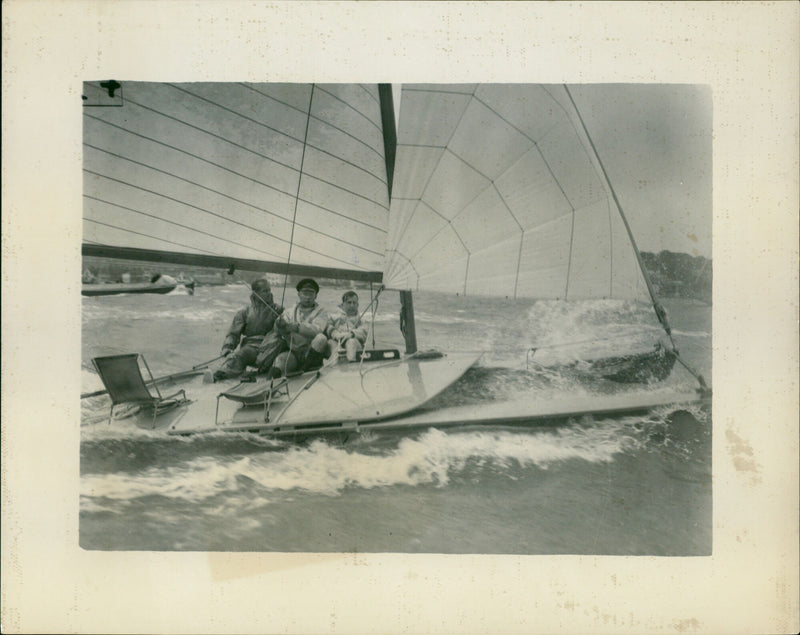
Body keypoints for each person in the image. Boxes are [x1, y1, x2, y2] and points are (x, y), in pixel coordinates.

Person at [213, 278, 285, 381]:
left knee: (279, 346)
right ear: (255, 293)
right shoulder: (244, 312)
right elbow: (233, 334)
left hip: (273, 346)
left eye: (269, 290)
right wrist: (227, 347)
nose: (269, 293)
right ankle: (223, 374)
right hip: (252, 347)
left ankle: (264, 374)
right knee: (240, 355)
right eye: (265, 291)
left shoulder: (279, 310)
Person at [268, 278, 330, 377]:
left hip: (312, 352)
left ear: (316, 295)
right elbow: (277, 330)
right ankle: (267, 387)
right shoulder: (289, 312)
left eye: (311, 293)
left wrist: (297, 327)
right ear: (299, 294)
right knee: (279, 363)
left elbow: (317, 330)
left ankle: (306, 370)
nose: (308, 297)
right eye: (305, 293)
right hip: (294, 353)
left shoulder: (321, 312)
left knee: (321, 338)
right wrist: (279, 325)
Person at [327, 291, 369, 362]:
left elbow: (364, 332)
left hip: (354, 343)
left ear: (357, 305)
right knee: (332, 343)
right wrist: (336, 334)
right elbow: (328, 327)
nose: (352, 305)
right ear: (343, 304)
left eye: (354, 303)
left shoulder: (361, 319)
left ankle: (351, 366)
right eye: (349, 302)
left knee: (351, 342)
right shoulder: (333, 316)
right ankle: (334, 367)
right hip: (337, 341)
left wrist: (352, 334)